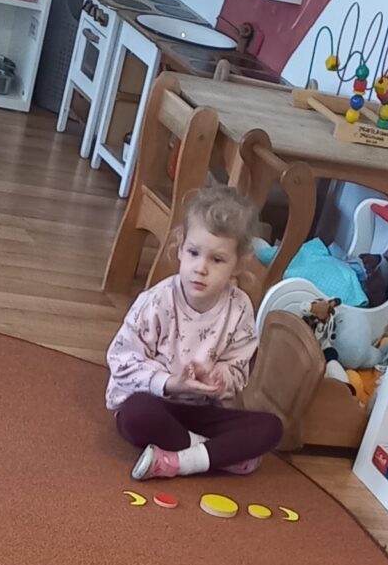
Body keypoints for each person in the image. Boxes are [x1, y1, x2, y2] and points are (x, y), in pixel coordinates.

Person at [106, 184, 281, 480]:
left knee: (271, 428)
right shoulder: (157, 301)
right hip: (156, 403)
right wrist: (172, 383)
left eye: (217, 259)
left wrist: (218, 378)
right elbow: (121, 361)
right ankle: (210, 455)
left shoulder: (239, 308)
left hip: (201, 412)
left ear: (238, 264)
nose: (201, 268)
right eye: (194, 253)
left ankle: (178, 461)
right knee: (136, 414)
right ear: (180, 248)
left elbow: (238, 370)